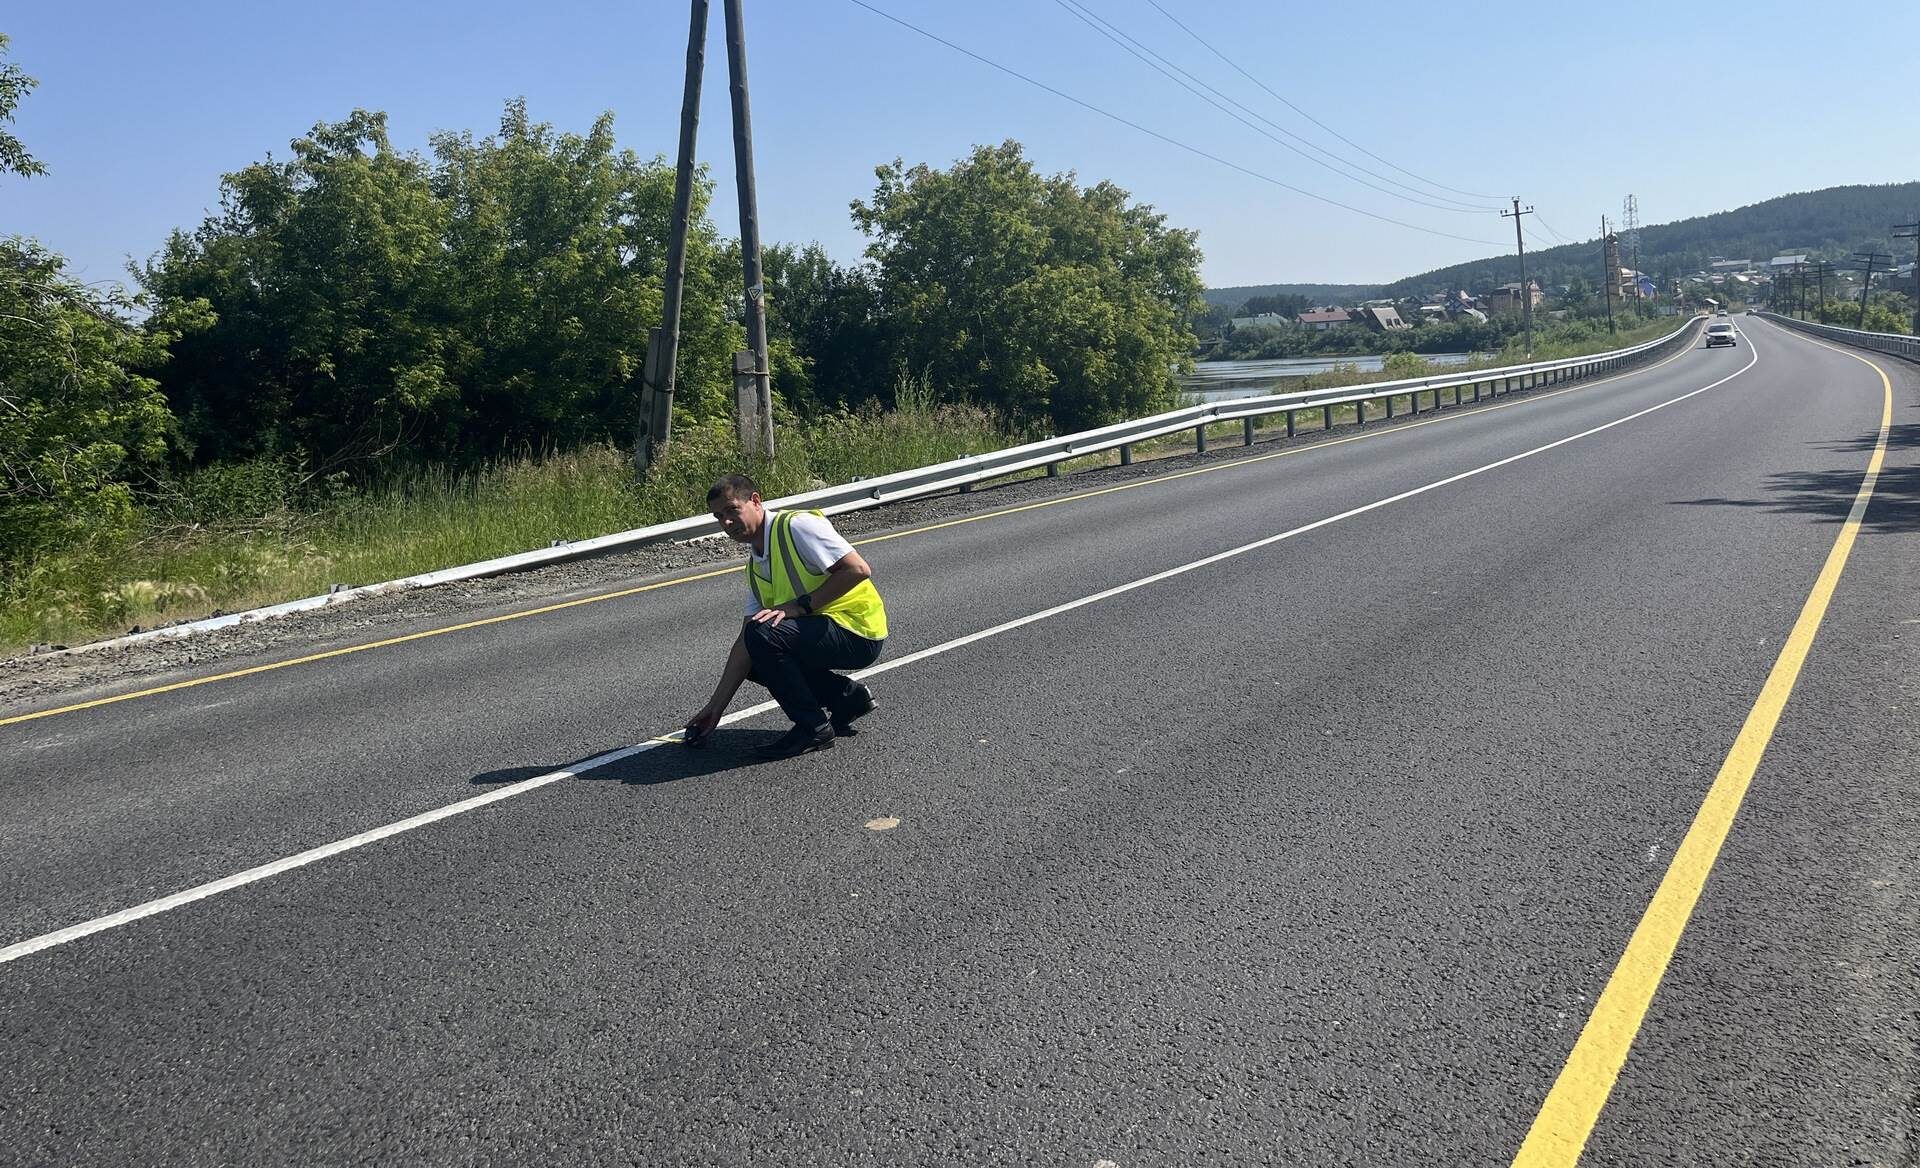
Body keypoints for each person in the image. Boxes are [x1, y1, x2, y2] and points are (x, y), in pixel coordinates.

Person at [684, 473, 889, 759]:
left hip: (857, 631)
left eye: (732, 510)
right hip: (822, 633)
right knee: (754, 649)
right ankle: (847, 700)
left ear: (755, 501)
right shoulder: (755, 567)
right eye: (719, 516)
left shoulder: (797, 527)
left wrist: (800, 606)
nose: (726, 523)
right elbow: (746, 643)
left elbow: (858, 569)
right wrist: (714, 709)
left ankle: (813, 728)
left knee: (763, 637)